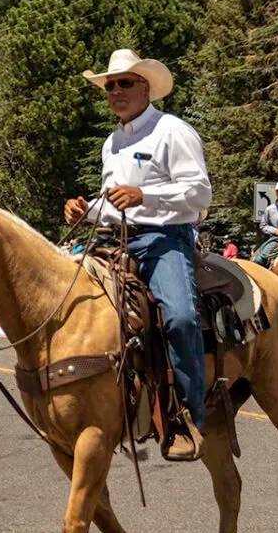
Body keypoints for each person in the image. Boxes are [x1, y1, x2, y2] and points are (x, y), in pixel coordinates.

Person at [64, 48, 212, 461]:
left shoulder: (172, 131)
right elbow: (113, 205)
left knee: (180, 317)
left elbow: (200, 193)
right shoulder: (112, 143)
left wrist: (145, 193)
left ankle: (188, 416)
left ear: (146, 87)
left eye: (124, 82)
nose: (115, 91)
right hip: (117, 239)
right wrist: (86, 210)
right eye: (110, 85)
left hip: (165, 239)